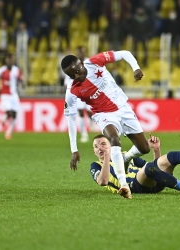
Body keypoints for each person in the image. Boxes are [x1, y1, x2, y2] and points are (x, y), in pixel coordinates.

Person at [61, 50, 150, 199]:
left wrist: (136, 67)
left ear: (81, 64)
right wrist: (74, 149)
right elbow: (70, 118)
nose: (76, 76)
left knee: (144, 148)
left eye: (77, 71)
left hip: (123, 108)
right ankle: (124, 184)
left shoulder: (95, 62)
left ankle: (126, 158)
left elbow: (124, 53)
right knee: (114, 139)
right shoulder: (72, 90)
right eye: (72, 75)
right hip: (103, 115)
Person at [90, 132, 180, 197]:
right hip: (135, 188)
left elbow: (154, 168)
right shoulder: (96, 166)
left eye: (103, 144)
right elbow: (102, 181)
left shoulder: (125, 154)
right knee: (148, 168)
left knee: (171, 157)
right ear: (94, 151)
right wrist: (107, 156)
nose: (100, 148)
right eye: (96, 146)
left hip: (152, 182)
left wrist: (156, 150)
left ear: (112, 145)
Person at [64, 46, 93, 143]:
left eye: (82, 52)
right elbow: (67, 80)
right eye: (79, 52)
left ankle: (93, 124)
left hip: (90, 91)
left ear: (85, 53)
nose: (81, 54)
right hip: (79, 92)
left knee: (90, 113)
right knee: (80, 112)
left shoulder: (89, 62)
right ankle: (84, 134)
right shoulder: (72, 65)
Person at [0, 53, 24, 140]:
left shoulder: (17, 70)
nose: (10, 61)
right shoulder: (1, 70)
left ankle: (9, 132)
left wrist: (22, 83)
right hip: (4, 95)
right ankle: (4, 118)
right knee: (9, 112)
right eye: (9, 59)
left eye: (12, 59)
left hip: (14, 95)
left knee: (14, 115)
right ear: (6, 60)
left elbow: (21, 78)